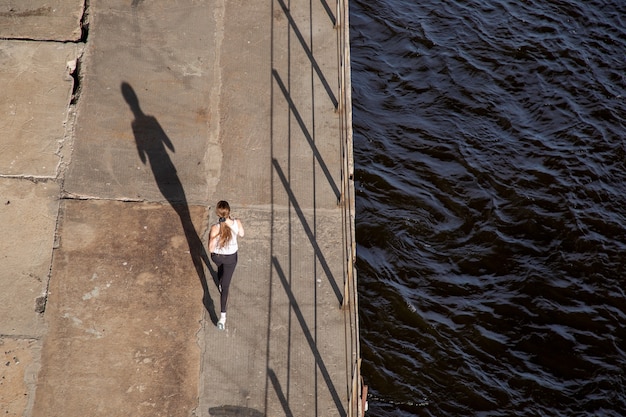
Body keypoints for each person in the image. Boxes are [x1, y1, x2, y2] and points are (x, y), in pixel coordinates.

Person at [209, 201, 245, 330]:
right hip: (231, 258)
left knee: (220, 269)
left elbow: (211, 250)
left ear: (217, 213)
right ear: (229, 211)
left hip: (217, 258)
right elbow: (241, 234)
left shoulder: (215, 228)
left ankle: (220, 281)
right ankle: (222, 318)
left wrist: (214, 237)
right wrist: (229, 222)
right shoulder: (236, 223)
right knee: (225, 287)